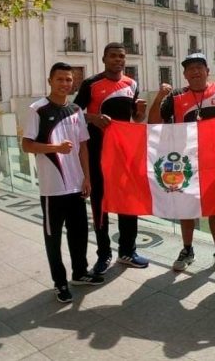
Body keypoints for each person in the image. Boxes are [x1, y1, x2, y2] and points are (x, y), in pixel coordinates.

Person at [22, 62, 104, 303]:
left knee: (79, 234)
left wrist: (87, 177)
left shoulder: (77, 110)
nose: (65, 84)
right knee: (53, 238)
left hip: (76, 186)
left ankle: (79, 273)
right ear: (50, 81)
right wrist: (55, 148)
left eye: (69, 80)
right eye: (60, 79)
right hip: (52, 189)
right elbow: (26, 144)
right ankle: (59, 283)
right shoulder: (37, 109)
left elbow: (83, 147)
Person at [147, 53, 215, 274]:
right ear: (184, 75)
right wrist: (159, 98)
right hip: (186, 163)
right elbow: (154, 123)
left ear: (207, 71)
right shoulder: (176, 97)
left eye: (199, 67)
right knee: (186, 209)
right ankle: (187, 250)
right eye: (190, 69)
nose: (195, 72)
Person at [74, 42, 149, 275]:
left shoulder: (132, 84)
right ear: (104, 59)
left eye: (122, 56)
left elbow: (135, 119)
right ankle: (103, 254)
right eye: (114, 56)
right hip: (98, 154)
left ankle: (127, 251)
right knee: (100, 204)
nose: (118, 60)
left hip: (125, 155)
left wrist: (140, 113)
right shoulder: (91, 84)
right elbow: (74, 114)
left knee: (129, 202)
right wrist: (94, 118)